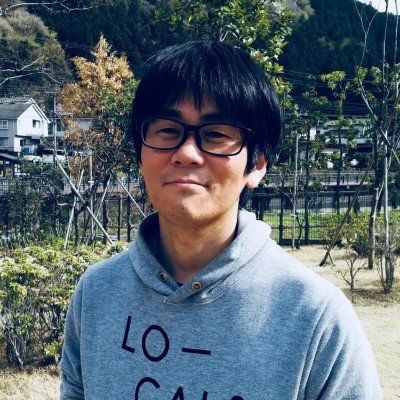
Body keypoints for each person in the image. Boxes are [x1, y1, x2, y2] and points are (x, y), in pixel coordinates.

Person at [60, 40, 382, 400]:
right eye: (167, 130)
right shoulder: (96, 294)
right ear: (140, 152)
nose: (186, 153)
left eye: (216, 134)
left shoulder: (314, 316)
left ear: (257, 165)